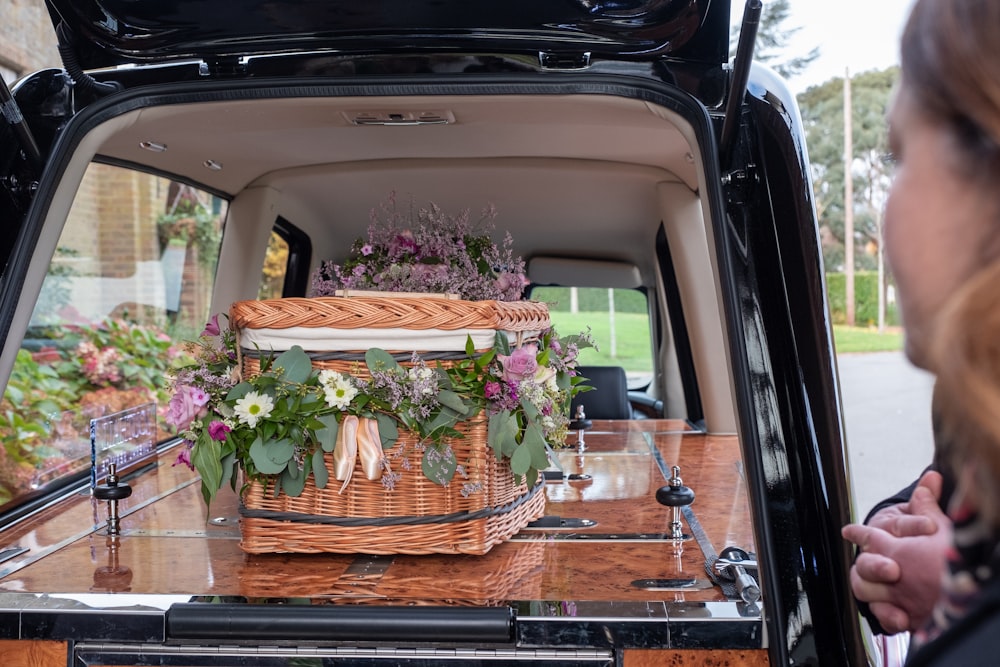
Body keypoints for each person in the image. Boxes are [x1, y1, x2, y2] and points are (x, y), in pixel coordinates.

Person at [840, 0, 1000, 663]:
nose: (886, 209)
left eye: (900, 154)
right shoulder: (975, 406)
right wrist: (896, 534)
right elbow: (942, 488)